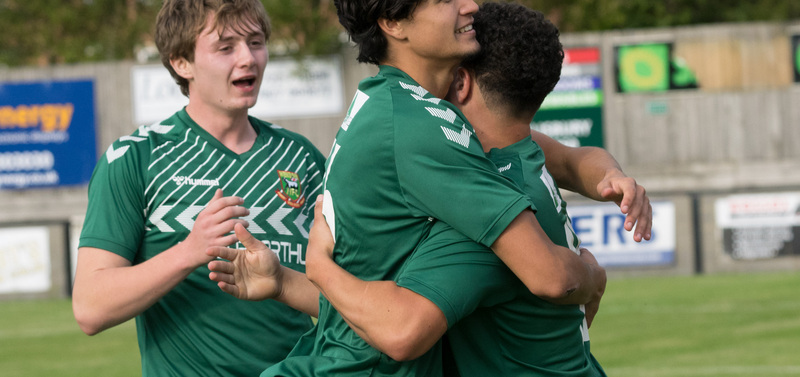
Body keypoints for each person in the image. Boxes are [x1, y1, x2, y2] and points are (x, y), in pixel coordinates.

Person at [209, 0, 646, 376]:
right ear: (393, 23)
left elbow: (388, 302)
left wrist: (296, 279)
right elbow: (549, 277)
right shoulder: (423, 132)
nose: (470, 5)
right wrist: (590, 273)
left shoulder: (399, 105)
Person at [71, 0, 326, 375]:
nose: (248, 59)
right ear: (181, 62)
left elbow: (353, 299)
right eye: (226, 47)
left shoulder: (301, 157)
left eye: (256, 42)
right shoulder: (137, 158)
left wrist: (284, 283)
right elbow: (90, 308)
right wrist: (189, 252)